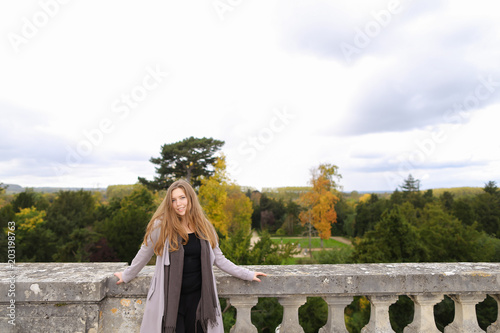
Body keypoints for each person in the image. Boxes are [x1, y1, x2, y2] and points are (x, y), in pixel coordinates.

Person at [114, 179, 266, 333]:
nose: (178, 203)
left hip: (198, 299)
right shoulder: (162, 226)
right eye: (173, 200)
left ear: (190, 198)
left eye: (182, 198)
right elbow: (144, 253)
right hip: (171, 300)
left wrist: (247, 274)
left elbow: (219, 259)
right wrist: (127, 275)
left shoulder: (204, 226)